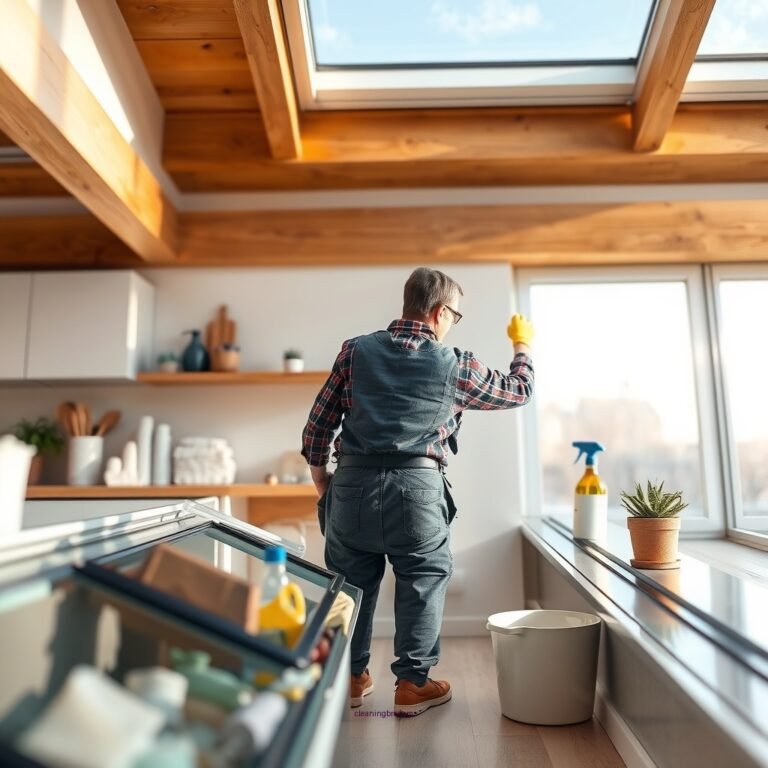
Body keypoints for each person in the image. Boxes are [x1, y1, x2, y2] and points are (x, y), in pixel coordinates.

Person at [301, 267, 534, 717]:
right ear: (439, 311)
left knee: (350, 586)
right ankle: (412, 684)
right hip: (418, 487)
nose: (453, 323)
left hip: (351, 483)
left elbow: (317, 429)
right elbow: (519, 391)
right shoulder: (457, 363)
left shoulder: (354, 352)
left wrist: (325, 484)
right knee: (423, 581)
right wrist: (522, 345)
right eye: (455, 315)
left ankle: (351, 678)